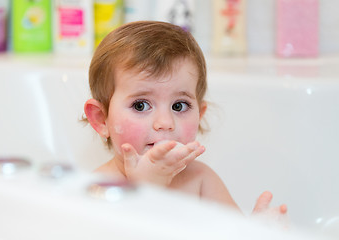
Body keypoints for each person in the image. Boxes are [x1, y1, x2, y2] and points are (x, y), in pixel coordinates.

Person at [84, 20, 287, 216]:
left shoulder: (201, 181)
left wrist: (254, 231)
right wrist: (145, 191)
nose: (165, 122)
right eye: (141, 105)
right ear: (101, 119)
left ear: (200, 115)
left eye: (179, 106)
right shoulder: (97, 189)